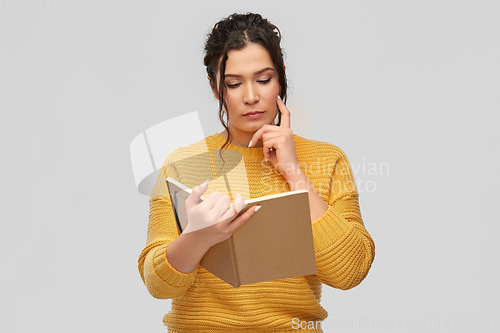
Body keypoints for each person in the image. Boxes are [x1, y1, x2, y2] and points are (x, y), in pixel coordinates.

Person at [138, 12, 375, 333]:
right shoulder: (184, 162)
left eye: (263, 79)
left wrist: (294, 173)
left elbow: (350, 270)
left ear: (281, 77)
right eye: (234, 84)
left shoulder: (327, 159)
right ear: (215, 87)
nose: (251, 96)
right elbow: (158, 284)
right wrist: (198, 237)